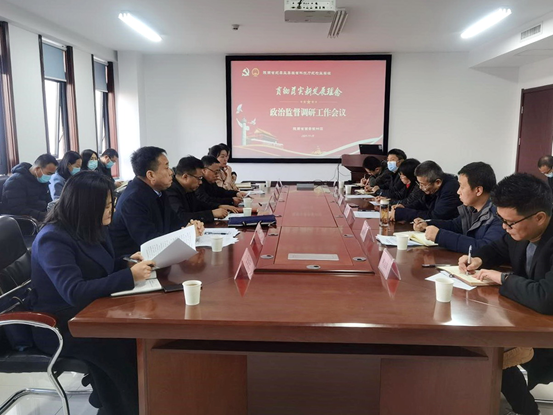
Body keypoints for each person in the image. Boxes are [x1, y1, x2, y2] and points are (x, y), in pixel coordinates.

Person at [29, 171, 154, 415]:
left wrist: (126, 262)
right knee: (123, 344)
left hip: (90, 311)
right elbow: (74, 291)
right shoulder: (53, 239)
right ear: (86, 206)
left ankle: (125, 400)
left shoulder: (90, 226)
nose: (112, 210)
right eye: (106, 206)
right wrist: (129, 276)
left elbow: (96, 266)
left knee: (137, 334)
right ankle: (123, 406)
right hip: (60, 324)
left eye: (111, 203)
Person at [459, 173, 553, 415]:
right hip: (527, 314)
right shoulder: (520, 230)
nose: (504, 227)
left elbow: (546, 298)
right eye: (501, 220)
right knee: (485, 342)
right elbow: (497, 248)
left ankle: (527, 410)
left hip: (546, 328)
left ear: (540, 217)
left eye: (509, 223)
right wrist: (478, 259)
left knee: (493, 348)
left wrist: (502, 278)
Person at [109, 147, 202, 257]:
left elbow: (174, 222)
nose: (171, 172)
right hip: (134, 261)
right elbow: (150, 242)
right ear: (151, 175)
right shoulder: (132, 200)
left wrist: (190, 227)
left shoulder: (159, 190)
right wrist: (185, 235)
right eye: (166, 167)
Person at [413, 162, 504, 253]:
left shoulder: (499, 215)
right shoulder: (471, 209)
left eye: (462, 187)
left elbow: (485, 248)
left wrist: (440, 236)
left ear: (478, 190)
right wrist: (427, 224)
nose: (458, 192)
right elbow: (455, 225)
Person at [166, 156, 239, 223]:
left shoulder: (188, 188)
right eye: (199, 178)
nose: (200, 182)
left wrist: (218, 206)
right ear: (185, 177)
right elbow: (181, 217)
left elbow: (199, 205)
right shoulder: (170, 191)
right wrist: (211, 214)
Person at [392, 160, 461, 222]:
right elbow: (422, 202)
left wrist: (404, 213)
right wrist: (405, 207)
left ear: (437, 182)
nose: (420, 187)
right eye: (419, 183)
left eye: (423, 184)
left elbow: (436, 217)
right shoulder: (434, 185)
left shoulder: (450, 190)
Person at [1, 153, 58, 221]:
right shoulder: (15, 181)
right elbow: (18, 209)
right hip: (24, 221)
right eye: (49, 173)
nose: (50, 177)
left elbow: (48, 202)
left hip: (41, 217)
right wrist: (46, 216)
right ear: (37, 169)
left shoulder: (41, 180)